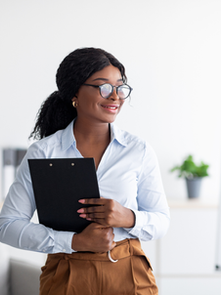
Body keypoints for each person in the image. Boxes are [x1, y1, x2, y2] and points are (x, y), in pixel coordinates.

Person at [0, 47, 170, 295]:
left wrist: (128, 217)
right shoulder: (43, 153)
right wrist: (74, 242)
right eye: (103, 87)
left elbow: (162, 221)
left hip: (129, 274)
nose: (115, 96)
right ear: (75, 93)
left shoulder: (138, 151)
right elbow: (8, 226)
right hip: (66, 275)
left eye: (120, 87)